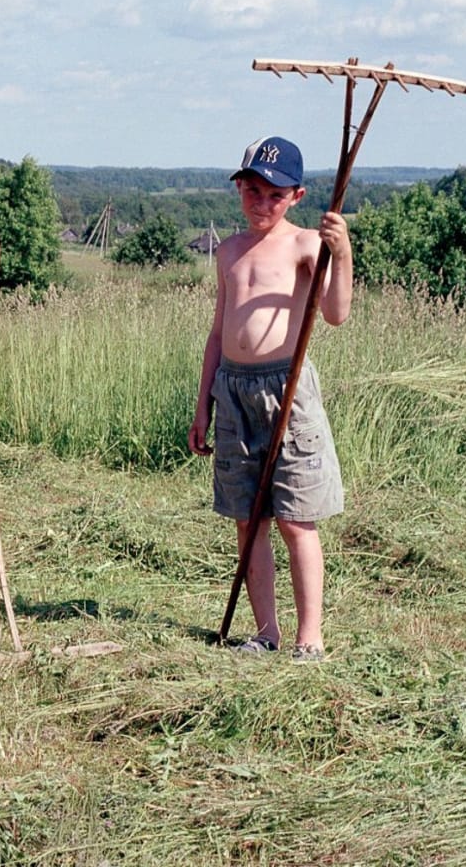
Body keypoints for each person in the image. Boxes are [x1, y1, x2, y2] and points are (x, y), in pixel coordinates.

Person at [188, 136, 350, 663]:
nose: (261, 204)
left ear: (297, 196)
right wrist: (203, 403)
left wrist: (341, 254)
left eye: (274, 196)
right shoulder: (230, 250)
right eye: (252, 191)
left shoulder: (307, 245)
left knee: (295, 517)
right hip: (232, 389)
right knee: (248, 517)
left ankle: (310, 637)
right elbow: (218, 332)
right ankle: (266, 632)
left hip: (287, 390)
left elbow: (335, 313)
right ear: (239, 188)